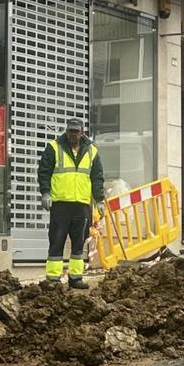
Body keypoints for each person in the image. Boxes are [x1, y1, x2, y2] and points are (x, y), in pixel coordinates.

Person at [37, 118, 105, 289]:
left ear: (82, 133)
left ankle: (76, 277)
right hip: (60, 203)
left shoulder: (92, 151)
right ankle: (53, 278)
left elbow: (97, 177)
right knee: (57, 240)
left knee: (79, 242)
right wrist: (45, 192)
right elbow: (44, 171)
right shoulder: (54, 147)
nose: (72, 135)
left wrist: (99, 200)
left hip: (81, 204)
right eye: (70, 131)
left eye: (76, 131)